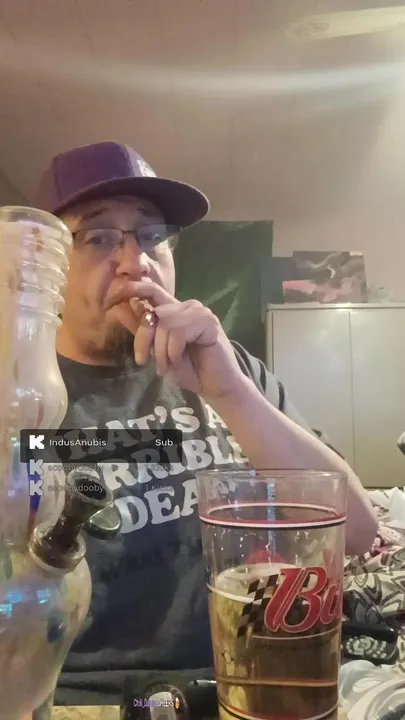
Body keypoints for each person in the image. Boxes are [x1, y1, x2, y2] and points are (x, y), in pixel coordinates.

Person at [34, 141, 377, 705]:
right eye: (97, 237)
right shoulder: (25, 400)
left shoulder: (229, 368)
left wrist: (231, 392)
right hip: (93, 703)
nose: (135, 262)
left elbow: (357, 533)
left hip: (261, 680)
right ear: (47, 264)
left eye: (151, 235)